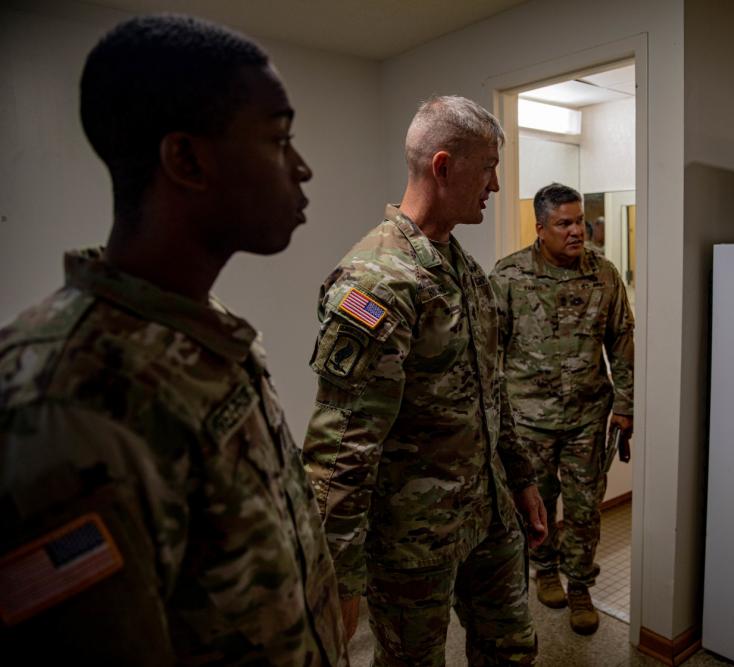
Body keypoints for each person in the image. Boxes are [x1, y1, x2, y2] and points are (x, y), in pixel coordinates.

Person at [0, 15, 346, 665]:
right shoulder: (65, 400)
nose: (301, 169)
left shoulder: (202, 328)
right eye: (278, 140)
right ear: (186, 159)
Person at [302, 95, 546, 665]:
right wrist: (338, 577)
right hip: (412, 540)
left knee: (514, 649)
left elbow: (492, 391)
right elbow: (342, 446)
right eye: (488, 169)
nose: (494, 185)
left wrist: (522, 480)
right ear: (443, 166)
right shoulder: (377, 281)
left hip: (487, 514)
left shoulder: (464, 270)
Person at [490, 183, 634, 635]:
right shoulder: (509, 276)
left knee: (585, 508)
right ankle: (545, 570)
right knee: (536, 503)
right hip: (528, 421)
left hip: (587, 419)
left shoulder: (603, 274)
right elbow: (490, 350)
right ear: (541, 228)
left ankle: (580, 586)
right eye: (564, 224)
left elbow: (621, 341)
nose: (576, 232)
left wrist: (626, 404)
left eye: (580, 222)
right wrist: (494, 419)